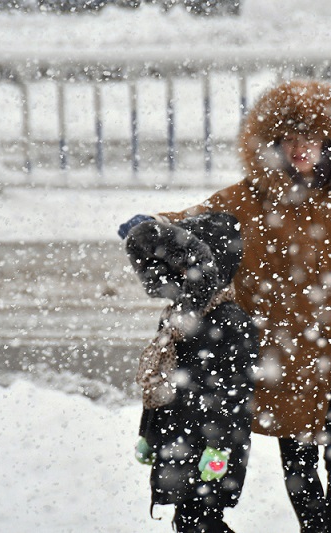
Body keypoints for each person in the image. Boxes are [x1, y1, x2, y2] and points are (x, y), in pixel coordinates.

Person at [119, 80, 331, 533]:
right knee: (299, 466)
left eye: (312, 138)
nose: (301, 148)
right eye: (290, 138)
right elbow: (195, 223)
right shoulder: (248, 199)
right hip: (287, 360)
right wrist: (152, 225)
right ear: (273, 143)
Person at [124, 212, 258, 532]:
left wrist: (219, 445)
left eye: (183, 269)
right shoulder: (177, 317)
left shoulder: (229, 319)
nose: (176, 277)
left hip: (208, 446)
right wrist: (148, 433)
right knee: (188, 521)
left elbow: (235, 392)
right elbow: (162, 382)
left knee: (200, 521)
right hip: (177, 440)